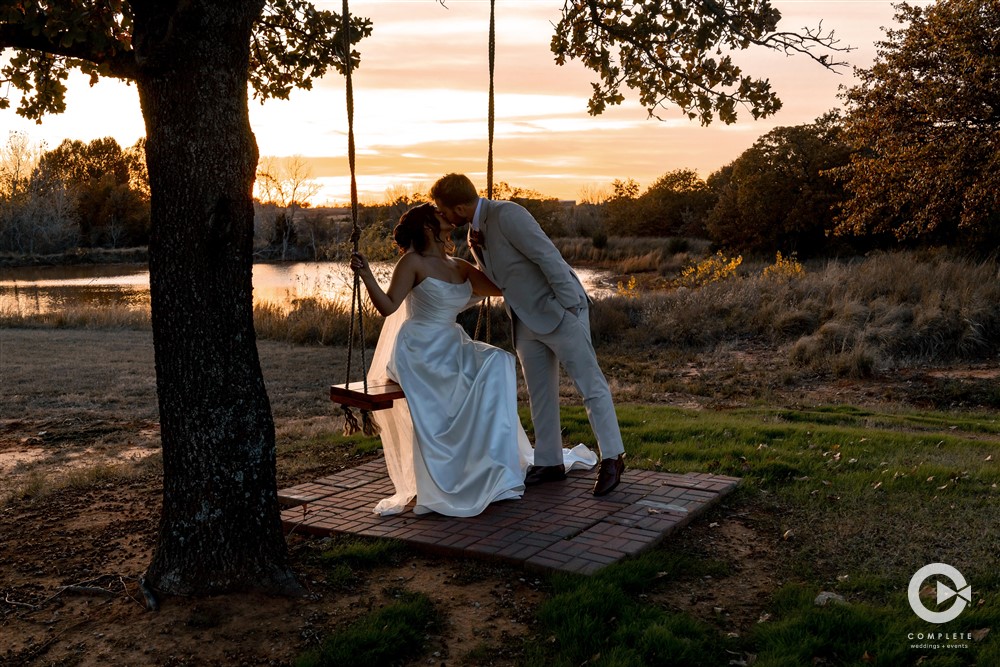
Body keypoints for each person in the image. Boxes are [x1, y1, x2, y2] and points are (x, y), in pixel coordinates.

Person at [351, 203, 596, 517]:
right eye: (441, 215)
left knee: (498, 363)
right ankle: (453, 472)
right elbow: (387, 306)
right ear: (427, 226)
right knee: (466, 382)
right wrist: (367, 274)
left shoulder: (460, 266)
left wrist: (488, 252)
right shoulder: (412, 262)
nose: (450, 217)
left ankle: (493, 465)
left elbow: (503, 288)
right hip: (418, 350)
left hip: (451, 343)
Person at [431, 174, 627, 496]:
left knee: (590, 386)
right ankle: (549, 462)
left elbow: (546, 256)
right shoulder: (474, 232)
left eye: (444, 209)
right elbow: (501, 281)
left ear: (461, 206)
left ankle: (612, 458)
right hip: (523, 322)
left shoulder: (508, 214)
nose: (442, 215)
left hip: (559, 313)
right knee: (539, 394)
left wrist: (570, 305)